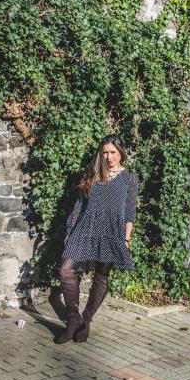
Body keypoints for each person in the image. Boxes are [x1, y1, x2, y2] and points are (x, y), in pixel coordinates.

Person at [55, 135, 138, 344]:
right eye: (105, 153)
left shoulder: (130, 178)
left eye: (113, 152)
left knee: (101, 278)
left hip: (112, 230)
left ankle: (86, 320)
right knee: (65, 270)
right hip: (85, 227)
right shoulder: (93, 172)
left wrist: (126, 239)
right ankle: (73, 318)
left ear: (121, 153)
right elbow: (78, 205)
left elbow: (130, 211)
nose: (109, 157)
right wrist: (70, 231)